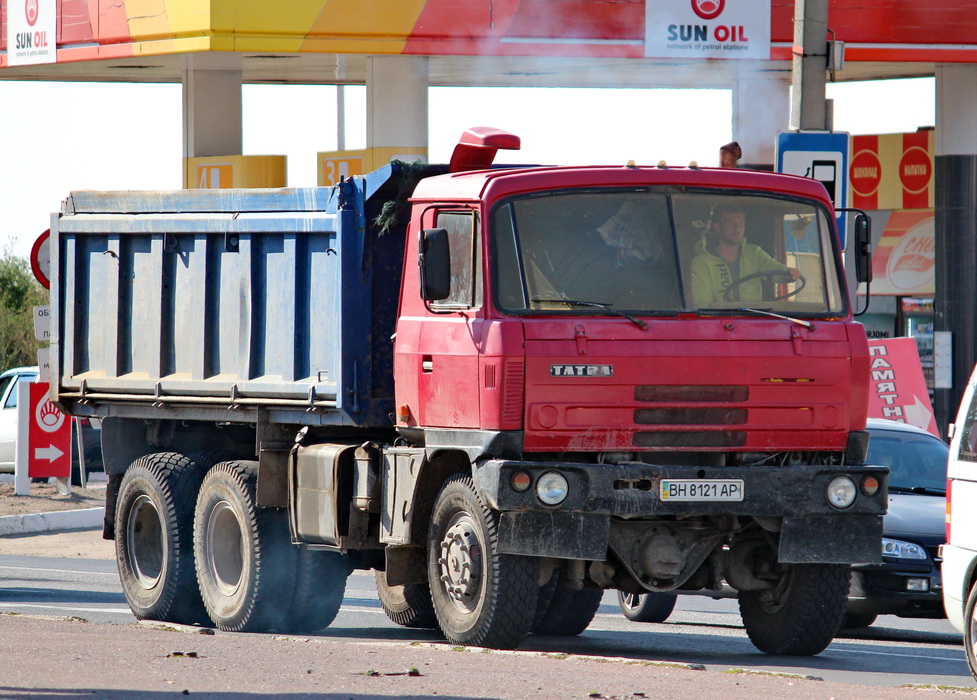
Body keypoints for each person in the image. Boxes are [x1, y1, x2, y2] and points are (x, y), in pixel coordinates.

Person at [690, 203, 801, 307]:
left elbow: (775, 269)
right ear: (718, 227)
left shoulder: (754, 253)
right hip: (719, 323)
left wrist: (789, 273)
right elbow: (703, 306)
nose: (737, 228)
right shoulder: (702, 262)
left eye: (741, 223)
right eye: (730, 223)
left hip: (752, 320)